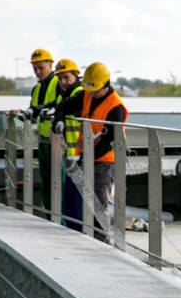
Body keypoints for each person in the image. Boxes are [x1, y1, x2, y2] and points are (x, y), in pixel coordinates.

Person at [52, 62, 128, 244]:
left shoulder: (115, 107)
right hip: (84, 157)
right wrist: (59, 120)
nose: (92, 94)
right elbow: (63, 106)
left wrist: (85, 158)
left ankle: (101, 245)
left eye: (96, 90)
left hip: (104, 161)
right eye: (90, 90)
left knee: (96, 204)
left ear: (106, 84)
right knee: (73, 202)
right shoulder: (86, 94)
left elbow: (107, 143)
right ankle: (77, 239)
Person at [10, 48, 59, 214]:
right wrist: (22, 114)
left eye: (41, 68)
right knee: (47, 185)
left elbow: (59, 107)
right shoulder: (37, 89)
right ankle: (51, 217)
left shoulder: (59, 83)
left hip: (59, 142)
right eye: (35, 68)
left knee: (58, 184)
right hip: (44, 141)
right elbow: (33, 111)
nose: (38, 72)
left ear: (50, 65)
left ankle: (61, 220)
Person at [45, 58, 85, 232]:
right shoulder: (65, 93)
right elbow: (58, 106)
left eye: (66, 77)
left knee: (77, 201)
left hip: (80, 154)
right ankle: (73, 232)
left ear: (76, 76)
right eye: (60, 78)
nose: (62, 82)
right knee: (69, 200)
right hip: (71, 155)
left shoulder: (79, 92)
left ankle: (80, 233)